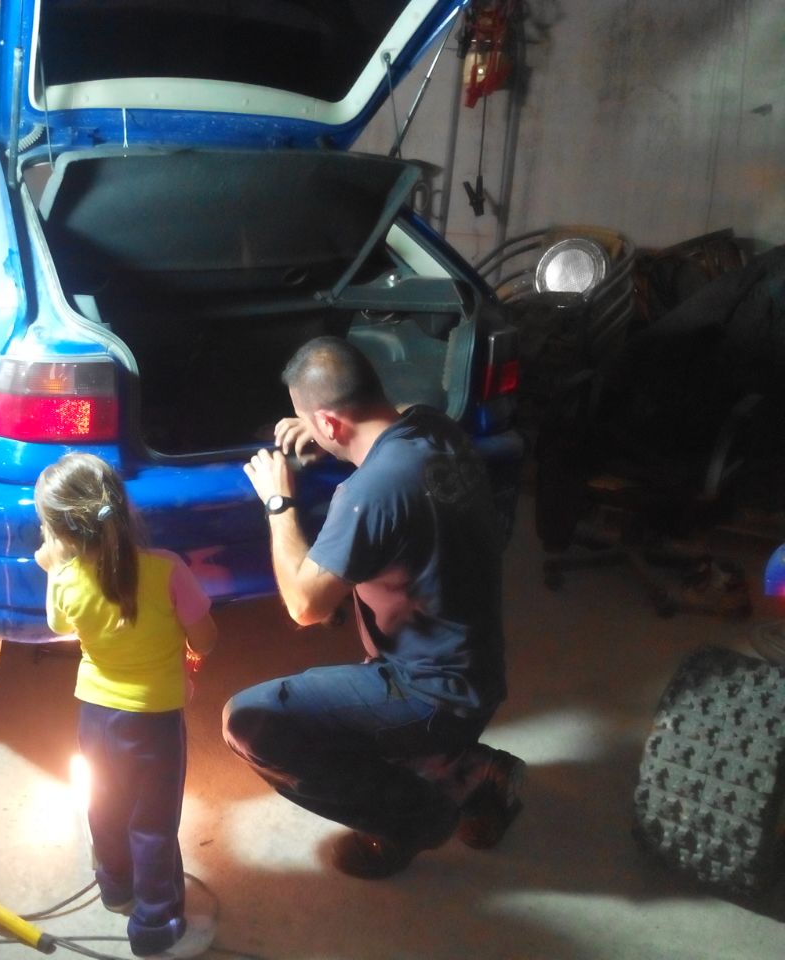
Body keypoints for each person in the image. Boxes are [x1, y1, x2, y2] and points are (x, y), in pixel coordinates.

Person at [225, 335, 525, 879]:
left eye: (310, 422)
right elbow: (401, 411)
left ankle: (419, 818)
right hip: (475, 672)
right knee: (342, 705)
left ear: (331, 421)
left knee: (249, 724)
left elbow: (304, 605)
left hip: (431, 693)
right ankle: (469, 767)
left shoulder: (371, 492)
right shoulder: (437, 428)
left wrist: (278, 501)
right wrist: (323, 429)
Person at [34, 453, 219, 957]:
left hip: (94, 717)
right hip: (155, 722)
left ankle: (116, 888)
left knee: (105, 806)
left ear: (59, 532)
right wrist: (186, 645)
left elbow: (57, 625)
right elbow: (205, 638)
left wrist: (53, 569)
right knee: (153, 824)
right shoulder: (167, 569)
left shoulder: (68, 580)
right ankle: (156, 927)